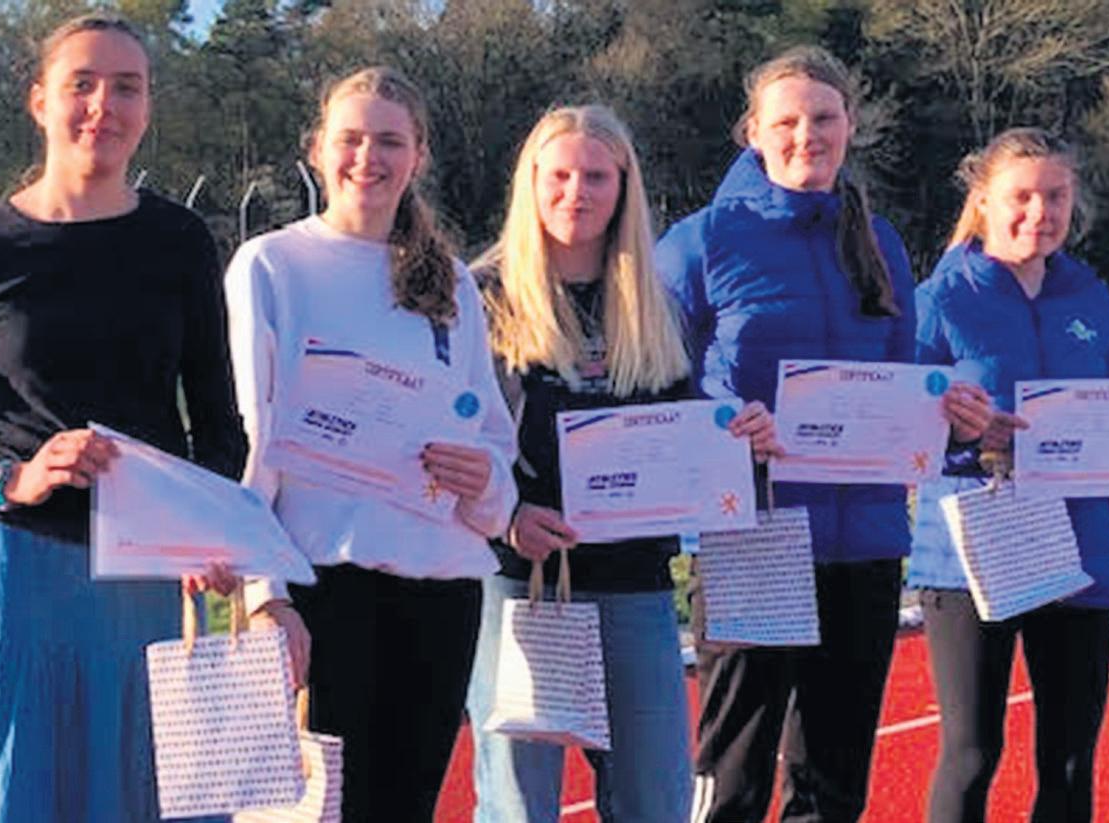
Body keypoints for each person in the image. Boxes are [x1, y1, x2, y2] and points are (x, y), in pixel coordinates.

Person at [655, 46, 991, 822]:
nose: (806, 134)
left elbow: (906, 380)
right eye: (786, 121)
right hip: (754, 534)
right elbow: (658, 386)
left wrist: (953, 422)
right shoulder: (698, 243)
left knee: (834, 779)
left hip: (865, 542)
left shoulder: (881, 242)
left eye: (824, 117)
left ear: (851, 125)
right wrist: (723, 426)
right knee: (733, 775)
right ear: (752, 131)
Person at [0, 14, 247, 822]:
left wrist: (205, 529)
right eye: (81, 84)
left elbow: (219, 426)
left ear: (148, 105)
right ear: (39, 100)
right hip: (20, 576)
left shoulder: (180, 240)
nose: (103, 106)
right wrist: (15, 477)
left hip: (147, 576)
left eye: (127, 87)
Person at [464, 104, 777, 823]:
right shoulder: (481, 296)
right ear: (530, 182)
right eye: (559, 175)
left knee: (655, 801)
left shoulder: (653, 302)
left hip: (634, 581)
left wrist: (739, 440)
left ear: (624, 186)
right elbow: (454, 440)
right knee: (518, 805)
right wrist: (507, 517)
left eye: (596, 177)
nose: (576, 192)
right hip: (522, 583)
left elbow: (683, 432)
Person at [224, 66, 517, 822]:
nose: (368, 158)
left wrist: (485, 480)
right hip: (322, 590)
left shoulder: (452, 283)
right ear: (317, 149)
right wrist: (265, 593)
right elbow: (251, 438)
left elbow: (491, 438)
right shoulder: (270, 265)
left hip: (441, 592)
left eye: (389, 141)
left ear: (418, 155)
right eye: (350, 138)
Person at [908, 128, 1109, 823]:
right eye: (1022, 196)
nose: (1040, 212)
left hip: (1079, 546)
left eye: (1056, 196)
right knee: (972, 752)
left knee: (1069, 759)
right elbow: (898, 434)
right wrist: (961, 436)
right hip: (969, 553)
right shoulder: (941, 299)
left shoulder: (1091, 298)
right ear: (983, 201)